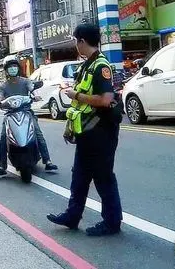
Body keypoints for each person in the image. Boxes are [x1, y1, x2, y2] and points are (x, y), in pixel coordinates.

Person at [47, 23, 123, 237]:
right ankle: (72, 216)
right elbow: (80, 108)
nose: (75, 44)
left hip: (101, 132)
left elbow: (106, 100)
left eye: (75, 40)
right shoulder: (85, 66)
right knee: (79, 177)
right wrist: (69, 127)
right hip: (86, 133)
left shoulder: (101, 66)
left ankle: (112, 222)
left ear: (82, 41)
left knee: (103, 177)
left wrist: (76, 95)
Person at [0, 58, 57, 177]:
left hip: (26, 112)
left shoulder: (26, 81)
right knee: (3, 137)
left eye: (14, 66)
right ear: (6, 71)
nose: (12, 69)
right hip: (10, 114)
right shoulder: (3, 86)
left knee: (37, 133)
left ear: (18, 68)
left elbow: (32, 90)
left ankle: (48, 161)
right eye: (10, 67)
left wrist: (36, 96)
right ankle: (2, 166)